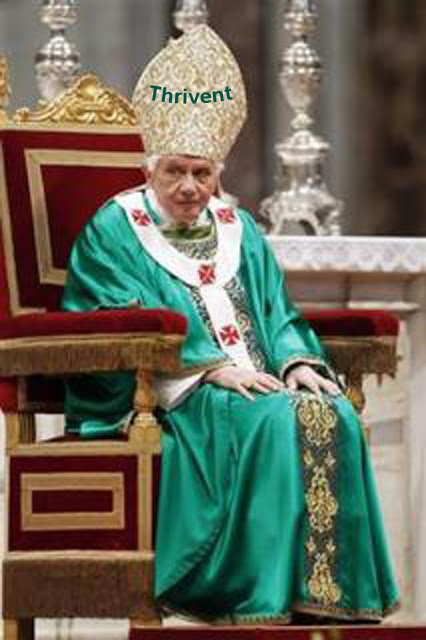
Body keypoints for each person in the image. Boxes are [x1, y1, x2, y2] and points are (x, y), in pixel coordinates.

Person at [63, 25, 400, 625]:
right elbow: (109, 317)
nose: (190, 188)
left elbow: (278, 313)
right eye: (175, 172)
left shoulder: (238, 228)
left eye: (202, 173)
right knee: (276, 419)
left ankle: (324, 599)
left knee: (333, 412)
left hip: (257, 383)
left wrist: (296, 360)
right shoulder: (114, 229)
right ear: (149, 169)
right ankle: (256, 597)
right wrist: (207, 369)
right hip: (174, 400)